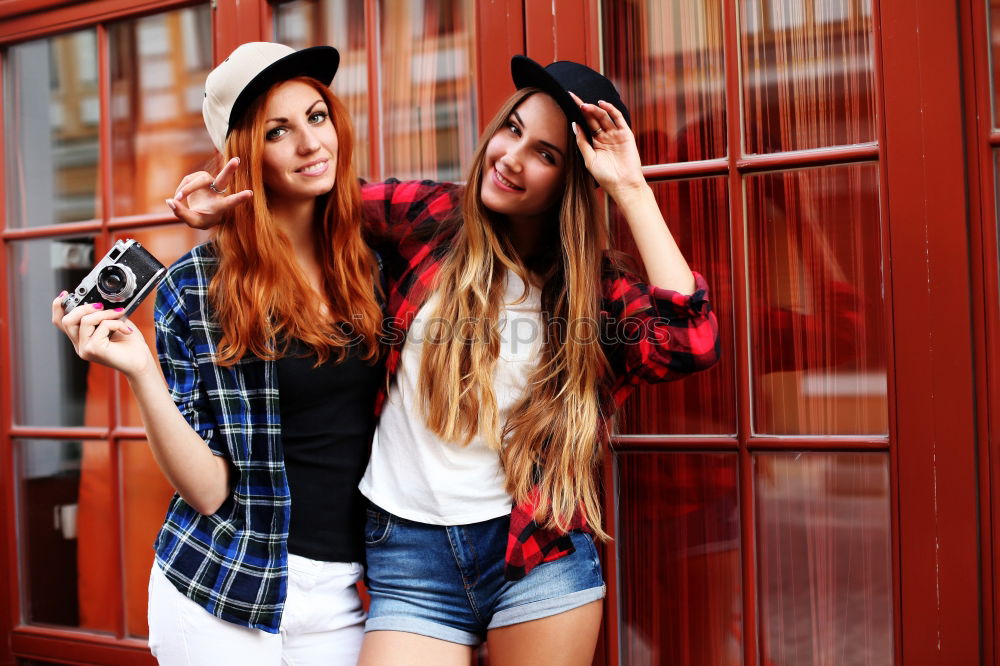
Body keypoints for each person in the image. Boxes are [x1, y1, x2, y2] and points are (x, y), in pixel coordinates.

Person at [172, 55, 720, 665]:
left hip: (534, 555)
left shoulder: (591, 288)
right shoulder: (431, 218)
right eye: (512, 130)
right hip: (408, 556)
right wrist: (228, 207)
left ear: (573, 179)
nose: (512, 157)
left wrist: (628, 186)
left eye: (545, 154)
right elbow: (319, 190)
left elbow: (687, 341)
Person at [51, 42, 383, 665]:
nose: (311, 144)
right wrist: (141, 371)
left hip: (343, 598)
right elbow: (208, 493)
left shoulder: (373, 262)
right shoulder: (197, 287)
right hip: (220, 590)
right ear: (245, 154)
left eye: (316, 117)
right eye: (277, 131)